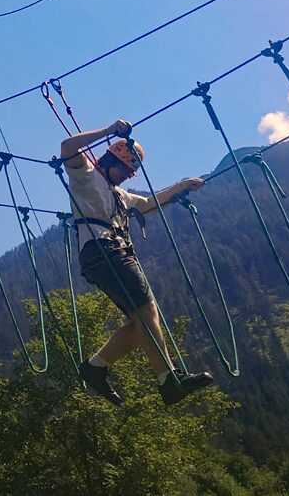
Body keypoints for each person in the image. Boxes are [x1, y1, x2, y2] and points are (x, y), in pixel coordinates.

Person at [61, 119, 214, 406]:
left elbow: (147, 205)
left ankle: (95, 367)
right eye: (124, 170)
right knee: (147, 310)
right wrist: (108, 131)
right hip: (104, 250)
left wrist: (181, 186)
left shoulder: (119, 194)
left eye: (130, 173)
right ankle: (168, 379)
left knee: (140, 323)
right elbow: (68, 146)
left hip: (108, 254)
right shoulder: (86, 174)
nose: (125, 177)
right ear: (111, 160)